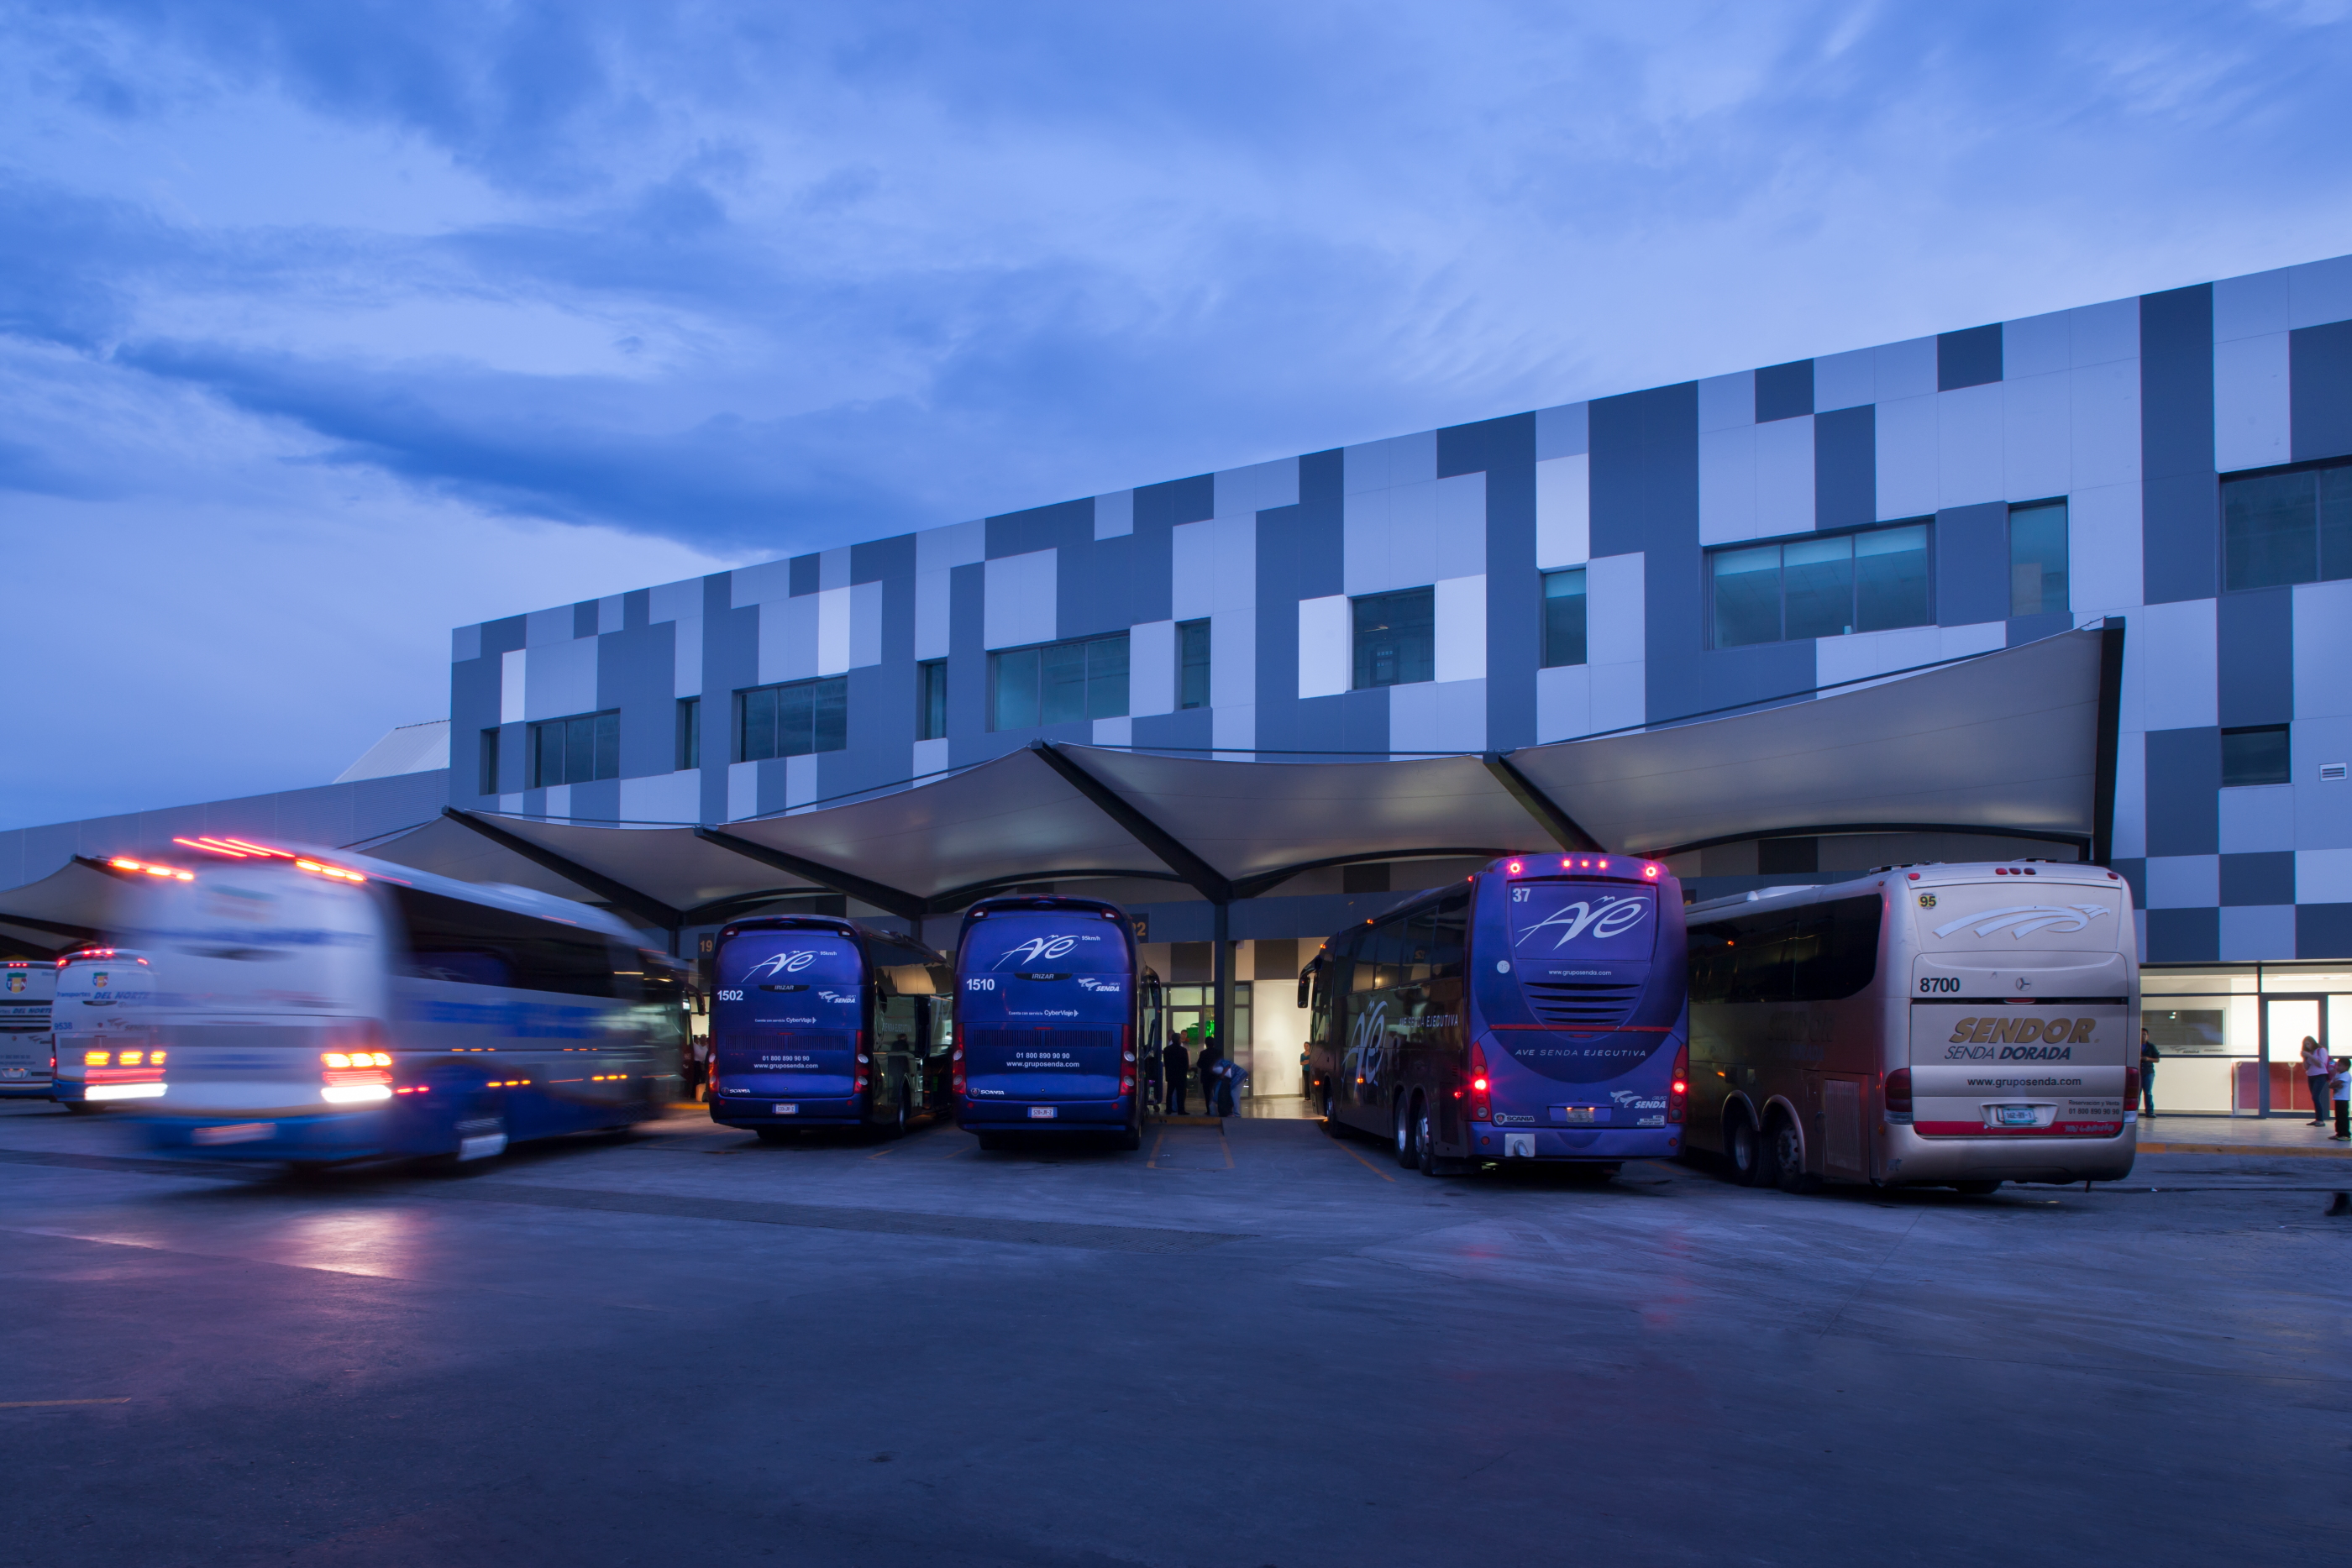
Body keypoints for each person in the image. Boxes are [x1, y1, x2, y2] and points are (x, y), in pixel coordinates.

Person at [2303, 1036, 2331, 1127]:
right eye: (2305, 1045)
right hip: (2311, 1075)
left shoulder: (2321, 1050)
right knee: (2314, 1097)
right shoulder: (2310, 1052)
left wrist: (2309, 1056)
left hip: (2320, 1075)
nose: (2308, 1046)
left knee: (2315, 1096)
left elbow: (2321, 1064)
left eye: (2309, 1043)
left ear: (2313, 1042)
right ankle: (2318, 1118)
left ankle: (2321, 1120)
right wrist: (2304, 1058)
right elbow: (2307, 1067)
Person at [1161, 1036, 1189, 1115]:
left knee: (1170, 1092)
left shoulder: (1167, 1049)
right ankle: (1181, 1110)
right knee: (1181, 1093)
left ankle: (1169, 1109)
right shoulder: (1183, 1050)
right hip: (1180, 1075)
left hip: (1170, 1074)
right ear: (1179, 1040)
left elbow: (1166, 1062)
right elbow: (1185, 1063)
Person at [1196, 1033, 1222, 1116]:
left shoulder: (1203, 1053)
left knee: (1207, 1095)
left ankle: (1209, 1111)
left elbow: (1199, 1064)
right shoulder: (1218, 1052)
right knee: (1217, 1093)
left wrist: (1206, 1067)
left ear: (1206, 1044)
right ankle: (1219, 1110)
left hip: (1206, 1076)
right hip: (1216, 1076)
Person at [2139, 1026, 2160, 1119]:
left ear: (2148, 1036)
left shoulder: (2151, 1047)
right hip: (2137, 1072)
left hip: (2148, 1072)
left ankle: (2149, 1112)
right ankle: (2134, 1111)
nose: (2143, 1036)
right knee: (2136, 1093)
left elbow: (2157, 1059)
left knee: (2148, 1093)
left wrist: (2148, 1059)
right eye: (2141, 1035)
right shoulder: (2134, 1046)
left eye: (2144, 1035)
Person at [2334, 1057, 2350, 1143]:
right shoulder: (2337, 1074)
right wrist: (2335, 1084)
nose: (2337, 1067)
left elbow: (2336, 1083)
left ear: (2346, 1067)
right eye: (2337, 1065)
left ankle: (2346, 1134)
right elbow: (2331, 1085)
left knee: (2343, 1116)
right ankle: (2339, 1133)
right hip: (2337, 1098)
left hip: (2343, 1099)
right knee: (2338, 1117)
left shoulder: (2346, 1075)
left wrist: (2335, 1084)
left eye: (2340, 1065)